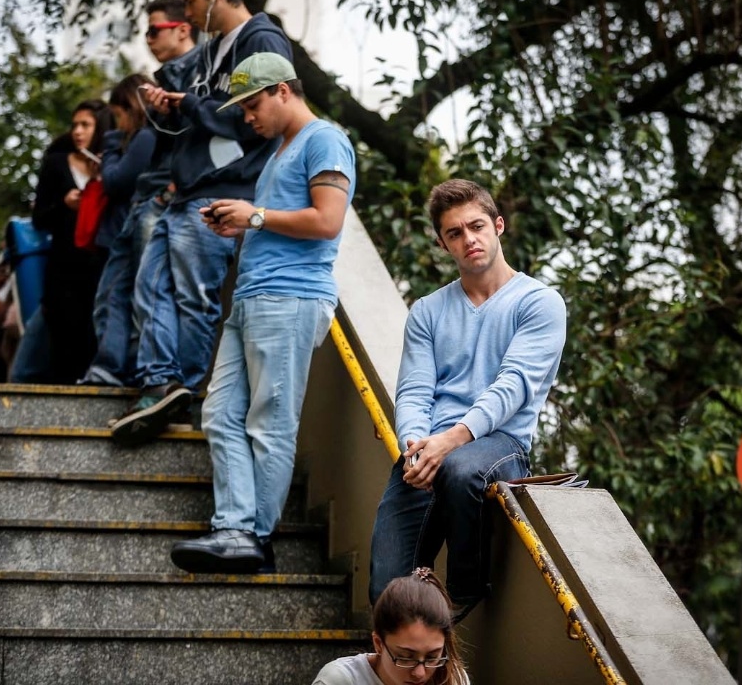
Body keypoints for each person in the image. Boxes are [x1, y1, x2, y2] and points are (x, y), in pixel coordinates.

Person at [168, 52, 355, 574]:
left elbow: (328, 220)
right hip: (252, 297)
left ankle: (255, 536)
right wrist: (244, 224)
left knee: (269, 422)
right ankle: (232, 527)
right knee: (221, 412)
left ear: (283, 91)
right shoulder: (280, 152)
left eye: (252, 105)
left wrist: (255, 214)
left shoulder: (325, 139)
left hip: (291, 298)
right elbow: (278, 220)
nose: (247, 117)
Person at [110, 0, 293, 443]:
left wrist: (190, 102)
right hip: (187, 189)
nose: (186, 15)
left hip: (223, 190)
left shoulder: (260, 38)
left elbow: (254, 121)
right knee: (151, 287)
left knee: (193, 295)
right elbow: (206, 115)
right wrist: (172, 107)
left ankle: (184, 389)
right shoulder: (215, 48)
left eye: (190, 2)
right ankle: (158, 382)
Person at [368, 179, 568, 622]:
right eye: (454, 233)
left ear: (498, 226)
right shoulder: (427, 311)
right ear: (443, 244)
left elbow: (513, 385)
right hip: (429, 451)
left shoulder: (539, 303)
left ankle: (464, 589)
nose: (468, 239)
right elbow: (414, 391)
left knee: (461, 469)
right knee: (385, 594)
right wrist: (415, 446)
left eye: (476, 226)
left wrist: (450, 441)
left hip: (498, 443)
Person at [81, 0, 200, 387]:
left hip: (165, 202)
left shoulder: (199, 78)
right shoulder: (165, 83)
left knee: (151, 293)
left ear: (183, 29)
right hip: (148, 202)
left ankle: (152, 375)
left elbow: (123, 175)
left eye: (154, 29)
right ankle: (123, 369)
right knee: (119, 290)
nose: (148, 39)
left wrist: (116, 142)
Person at [27, 99, 113, 384]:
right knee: (62, 334)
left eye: (85, 125)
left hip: (100, 262)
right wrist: (64, 204)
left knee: (94, 329)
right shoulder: (56, 164)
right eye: (75, 124)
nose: (77, 131)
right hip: (64, 265)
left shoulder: (112, 163)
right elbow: (39, 217)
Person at [80, 73, 156, 383]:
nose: (117, 124)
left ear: (130, 108)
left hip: (135, 223)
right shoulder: (145, 137)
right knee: (118, 296)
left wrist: (110, 147)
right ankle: (115, 366)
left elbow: (117, 181)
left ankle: (115, 366)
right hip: (129, 224)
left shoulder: (145, 137)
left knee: (118, 295)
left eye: (118, 116)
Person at [312, 568, 470, 685]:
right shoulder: (340, 680)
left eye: (432, 657)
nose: (420, 673)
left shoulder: (452, 678)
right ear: (379, 644)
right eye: (406, 657)